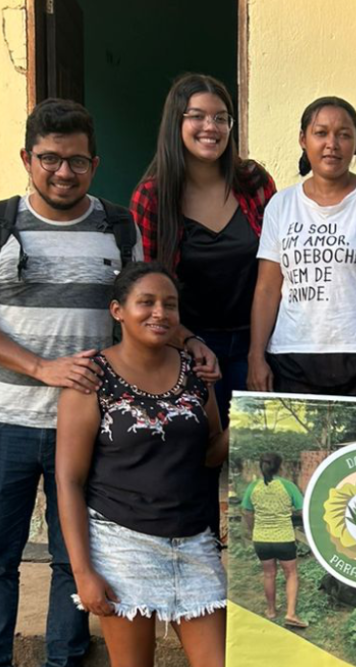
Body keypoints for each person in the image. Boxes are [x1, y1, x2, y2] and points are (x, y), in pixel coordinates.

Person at [0, 99, 214, 667]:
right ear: (27, 159)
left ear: (95, 164)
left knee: (75, 558)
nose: (63, 172)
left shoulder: (118, 227)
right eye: (49, 159)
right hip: (8, 419)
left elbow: (146, 303)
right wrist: (41, 368)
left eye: (76, 161)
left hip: (98, 426)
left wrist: (191, 341)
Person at [56, 261, 228, 667]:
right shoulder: (92, 378)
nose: (159, 313)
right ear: (117, 310)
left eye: (170, 304)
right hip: (122, 542)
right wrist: (83, 572)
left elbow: (210, 455)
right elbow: (69, 480)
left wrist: (251, 423)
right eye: (146, 302)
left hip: (193, 541)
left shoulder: (195, 373)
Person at [131, 73, 276, 421]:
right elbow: (143, 287)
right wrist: (187, 340)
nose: (211, 127)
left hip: (255, 347)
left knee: (253, 449)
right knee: (196, 448)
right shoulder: (152, 196)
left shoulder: (254, 182)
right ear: (176, 122)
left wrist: (259, 351)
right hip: (185, 350)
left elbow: (276, 269)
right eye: (197, 116)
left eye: (221, 118)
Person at [248, 96, 356, 397]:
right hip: (291, 356)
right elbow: (267, 288)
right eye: (321, 133)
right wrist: (256, 356)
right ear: (303, 139)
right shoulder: (281, 205)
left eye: (343, 135)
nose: (332, 144)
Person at [240, 452, 307, 628]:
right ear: (280, 467)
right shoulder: (288, 486)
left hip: (261, 539)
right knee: (291, 574)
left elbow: (246, 512)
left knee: (269, 574)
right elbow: (303, 510)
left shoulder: (253, 487)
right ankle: (291, 614)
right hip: (284, 539)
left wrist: (253, 529)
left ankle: (270, 611)